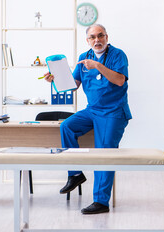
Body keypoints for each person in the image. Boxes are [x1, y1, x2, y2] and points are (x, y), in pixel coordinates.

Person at [43, 24, 132, 214]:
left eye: (100, 36)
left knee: (104, 152)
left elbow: (119, 80)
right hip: (92, 110)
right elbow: (73, 85)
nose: (97, 40)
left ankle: (101, 201)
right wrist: (55, 80)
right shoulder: (84, 58)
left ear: (107, 37)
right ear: (88, 40)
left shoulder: (118, 55)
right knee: (67, 126)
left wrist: (98, 65)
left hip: (113, 112)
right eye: (92, 37)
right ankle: (75, 173)